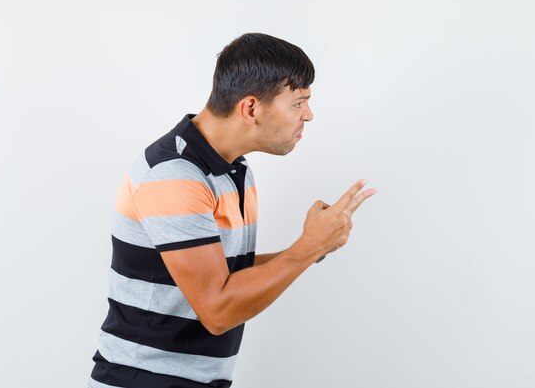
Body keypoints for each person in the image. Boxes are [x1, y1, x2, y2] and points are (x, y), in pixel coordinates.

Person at [88, 33, 376, 388]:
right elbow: (218, 309)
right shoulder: (173, 174)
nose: (309, 115)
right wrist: (309, 247)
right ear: (251, 108)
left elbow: (224, 275)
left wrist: (315, 245)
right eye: (298, 103)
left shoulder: (234, 169)